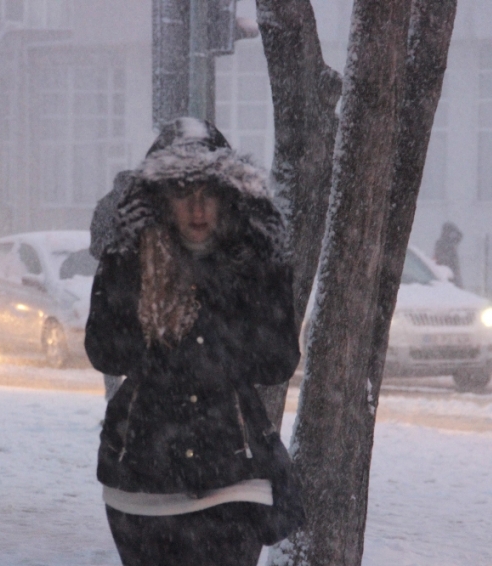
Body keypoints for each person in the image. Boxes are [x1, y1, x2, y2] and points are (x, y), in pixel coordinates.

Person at [85, 117, 300, 566]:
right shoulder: (131, 259)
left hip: (234, 472)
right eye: (183, 193)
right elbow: (106, 351)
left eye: (210, 194)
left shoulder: (251, 260)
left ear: (229, 198)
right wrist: (124, 263)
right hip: (140, 479)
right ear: (162, 200)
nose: (198, 209)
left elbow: (277, 362)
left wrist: (263, 271)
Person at [89, 170, 133, 401]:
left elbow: (95, 247)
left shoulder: (105, 206)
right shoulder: (141, 208)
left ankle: (114, 400)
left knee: (111, 346)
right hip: (130, 288)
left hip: (111, 287)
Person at [434, 221, 463, 288]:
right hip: (446, 269)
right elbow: (460, 235)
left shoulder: (449, 242)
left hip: (447, 269)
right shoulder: (447, 243)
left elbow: (460, 236)